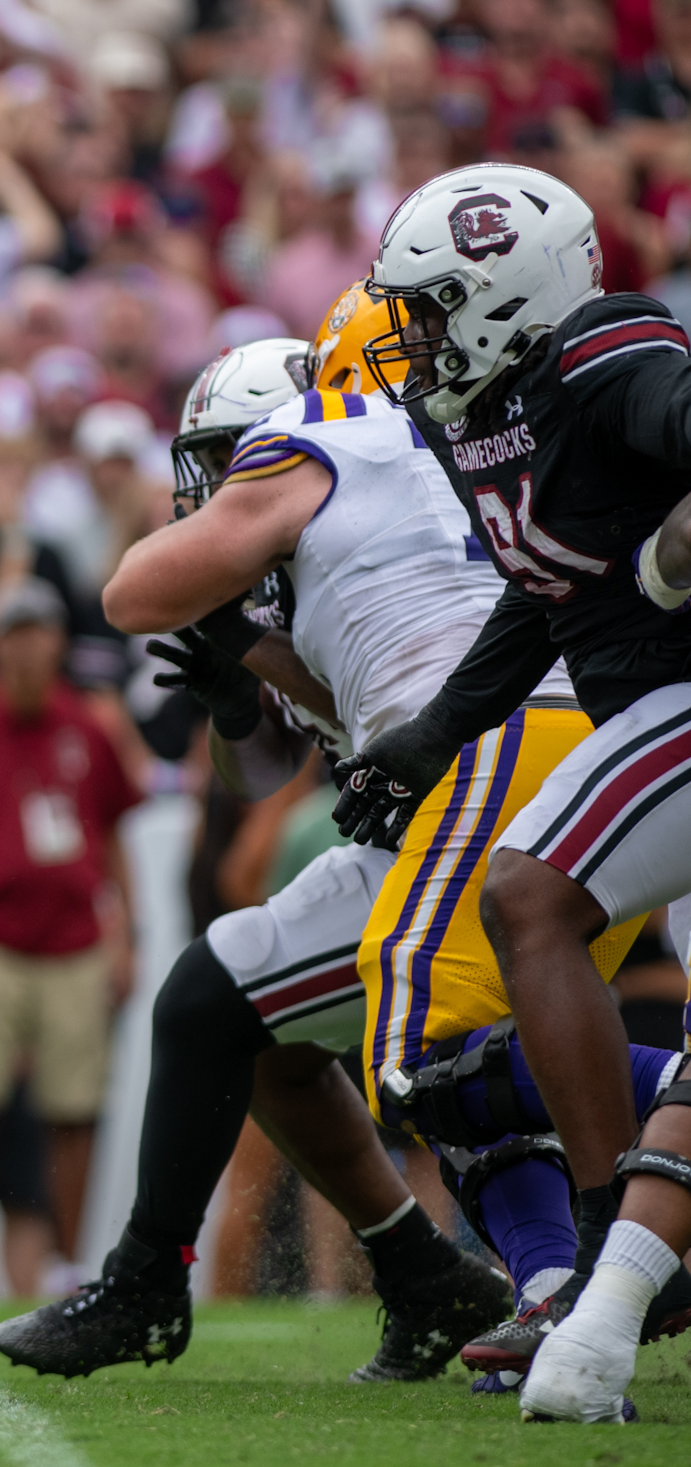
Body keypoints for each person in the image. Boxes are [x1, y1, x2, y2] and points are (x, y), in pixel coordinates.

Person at [0, 311, 561, 1384]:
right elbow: (275, 762)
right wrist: (234, 681)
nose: (214, 488)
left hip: (479, 803)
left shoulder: (324, 460)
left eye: (223, 462)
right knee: (273, 1035)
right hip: (470, 797)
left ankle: (148, 1281)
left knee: (242, 1010)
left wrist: (232, 624)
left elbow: (131, 593)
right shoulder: (381, 511)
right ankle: (428, 1275)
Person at [334, 164, 691, 1423]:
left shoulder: (600, 352)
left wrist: (670, 554)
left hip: (678, 699)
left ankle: (606, 1246)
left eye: (430, 308)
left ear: (502, 290)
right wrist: (433, 736)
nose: (413, 338)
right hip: (638, 704)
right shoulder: (490, 409)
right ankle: (623, 1262)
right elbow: (540, 593)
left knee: (528, 899)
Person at [0, 577, 140, 1296]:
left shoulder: (90, 727)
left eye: (40, 628)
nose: (29, 643)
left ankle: (67, 1259)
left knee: (75, 1108)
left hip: (73, 939)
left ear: (60, 639)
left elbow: (112, 839)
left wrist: (123, 936)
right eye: (15, 630)